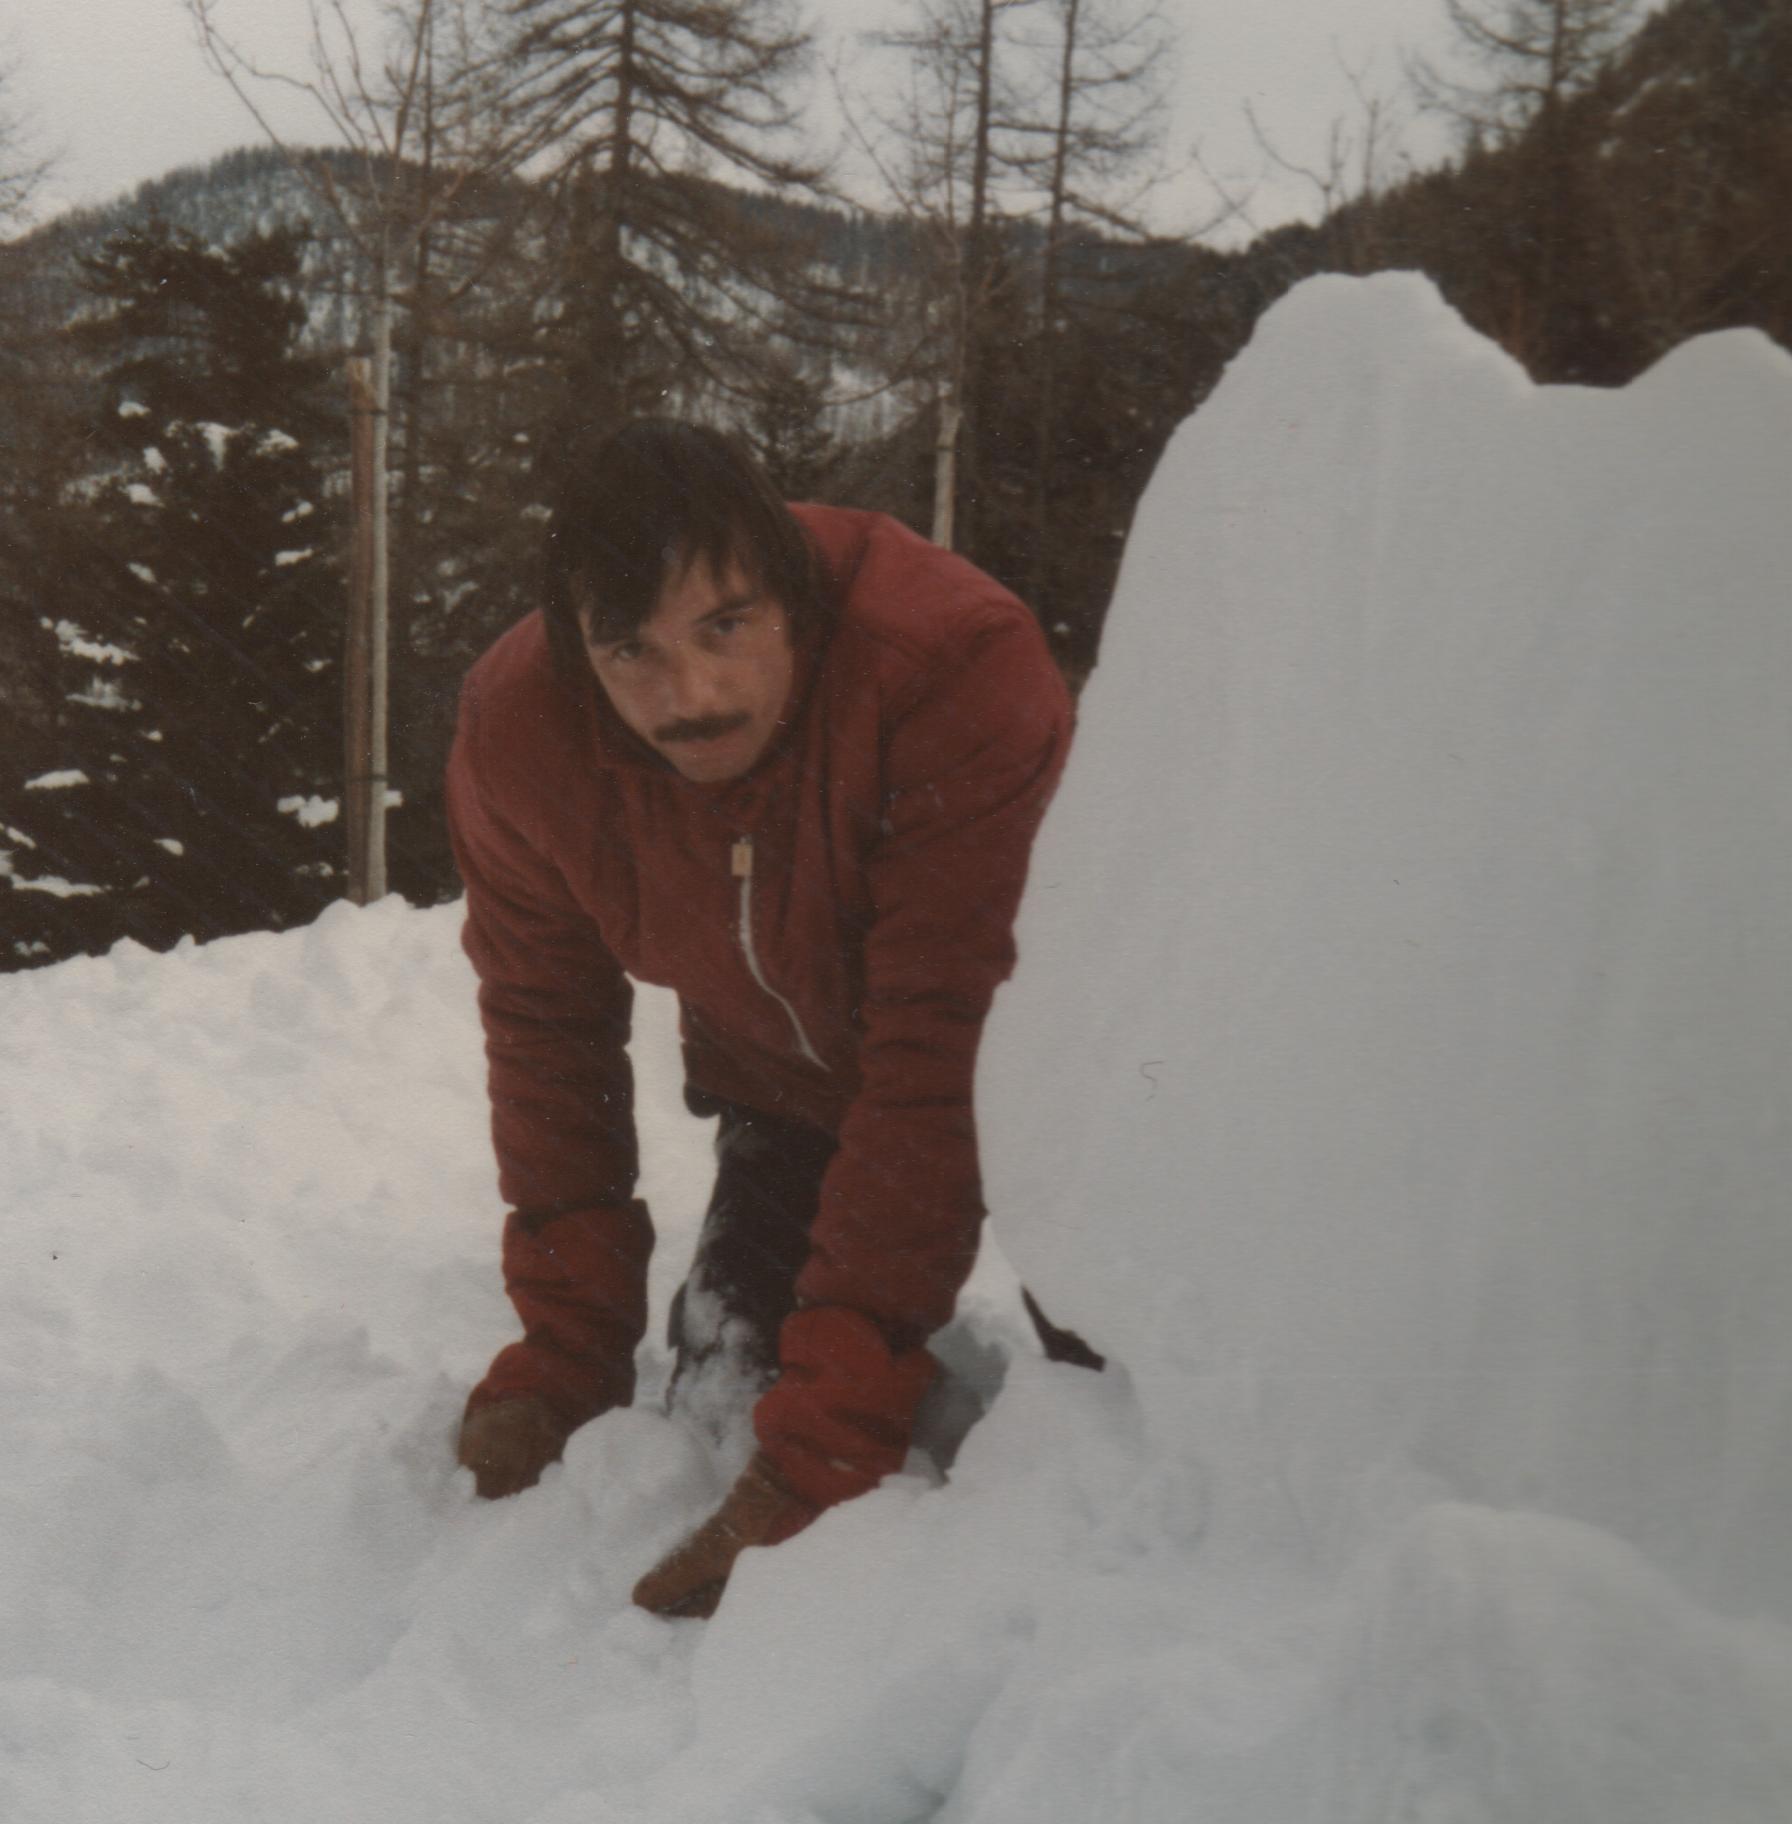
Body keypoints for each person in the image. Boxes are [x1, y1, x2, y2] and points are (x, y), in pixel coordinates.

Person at [445, 420, 1078, 1619]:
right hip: (792, 1097)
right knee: (732, 1390)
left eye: (725, 627)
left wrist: (834, 1440)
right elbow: (543, 1025)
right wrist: (568, 1349)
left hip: (1062, 1085)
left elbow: (944, 1034)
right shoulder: (521, 731)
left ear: (794, 600)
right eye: (631, 651)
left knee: (1133, 1397)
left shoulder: (946, 660)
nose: (687, 695)